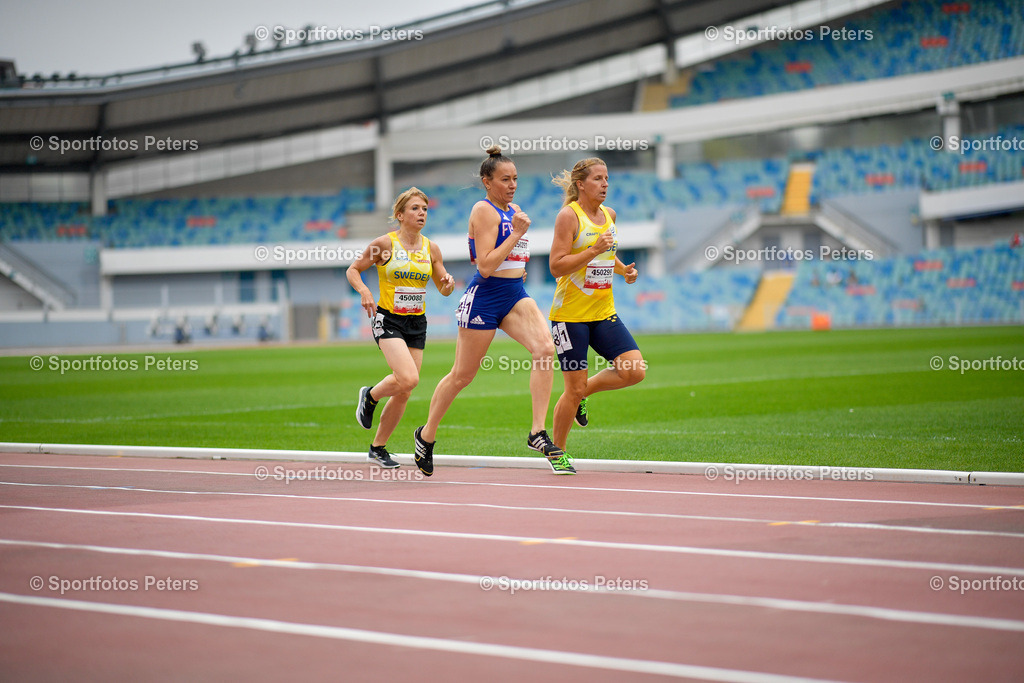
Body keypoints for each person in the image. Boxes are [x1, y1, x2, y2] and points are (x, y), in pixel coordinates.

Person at [413, 145, 572, 475]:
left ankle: (537, 432)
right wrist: (516, 234)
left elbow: (508, 257)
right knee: (462, 376)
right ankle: (426, 435)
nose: (512, 185)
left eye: (515, 179)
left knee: (545, 348)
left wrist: (518, 263)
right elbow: (485, 266)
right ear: (487, 182)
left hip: (514, 293)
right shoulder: (483, 211)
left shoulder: (514, 209)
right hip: (485, 297)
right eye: (505, 179)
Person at [347, 187, 455, 468]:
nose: (422, 214)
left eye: (425, 209)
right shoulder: (385, 244)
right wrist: (364, 291)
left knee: (405, 391)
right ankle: (370, 396)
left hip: (416, 322)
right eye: (415, 209)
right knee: (408, 379)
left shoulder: (431, 248)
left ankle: (378, 447)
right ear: (400, 215)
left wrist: (448, 284)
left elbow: (443, 287)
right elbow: (353, 269)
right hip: (389, 319)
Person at [548, 157, 645, 455]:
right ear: (581, 184)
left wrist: (622, 270)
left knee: (634, 370)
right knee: (571, 389)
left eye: (606, 178)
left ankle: (582, 393)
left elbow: (606, 253)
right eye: (598, 179)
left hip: (603, 312)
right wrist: (594, 249)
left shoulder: (609, 214)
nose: (605, 184)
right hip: (570, 318)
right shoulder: (569, 216)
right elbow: (556, 266)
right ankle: (558, 451)